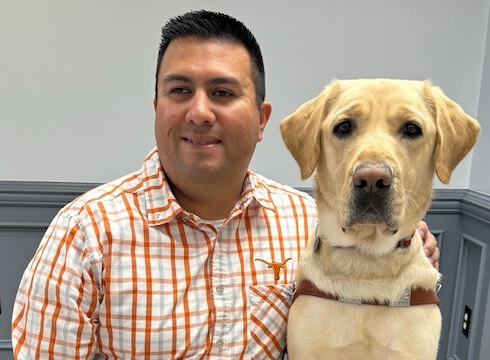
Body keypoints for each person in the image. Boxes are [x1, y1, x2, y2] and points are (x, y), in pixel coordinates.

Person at [11, 10, 439, 359]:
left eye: (222, 93)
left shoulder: (309, 225)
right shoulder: (84, 234)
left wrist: (407, 241)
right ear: (157, 108)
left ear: (261, 119)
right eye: (180, 90)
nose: (199, 112)